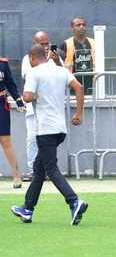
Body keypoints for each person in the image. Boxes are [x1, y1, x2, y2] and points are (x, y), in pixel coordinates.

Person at [11, 45, 88, 225]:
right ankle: (28, 209)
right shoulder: (61, 71)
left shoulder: (34, 72)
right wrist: (78, 114)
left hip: (45, 128)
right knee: (39, 170)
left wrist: (36, 95)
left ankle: (74, 201)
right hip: (60, 129)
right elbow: (79, 87)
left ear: (31, 58)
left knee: (50, 169)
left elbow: (27, 97)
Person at [21, 31, 62, 182]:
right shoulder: (28, 58)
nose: (46, 47)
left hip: (51, 108)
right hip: (34, 107)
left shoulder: (55, 58)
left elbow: (66, 76)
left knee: (50, 139)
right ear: (35, 44)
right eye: (42, 44)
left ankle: (48, 169)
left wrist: (57, 61)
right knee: (32, 138)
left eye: (47, 43)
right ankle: (34, 170)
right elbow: (28, 77)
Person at [0, 57, 26, 188]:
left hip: (1, 104)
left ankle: (16, 176)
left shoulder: (3, 64)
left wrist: (18, 101)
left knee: (5, 140)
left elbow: (10, 83)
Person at [60, 17, 95, 93]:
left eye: (83, 24)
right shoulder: (66, 44)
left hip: (91, 81)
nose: (81, 27)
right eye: (78, 25)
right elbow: (61, 64)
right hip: (73, 83)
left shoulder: (93, 42)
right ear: (72, 28)